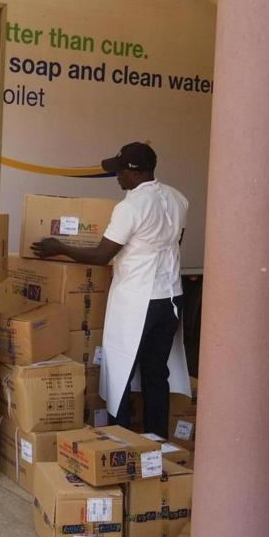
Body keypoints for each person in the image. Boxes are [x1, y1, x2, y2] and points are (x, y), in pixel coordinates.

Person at [31, 142, 188, 436]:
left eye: (119, 171)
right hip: (171, 297)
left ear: (136, 172)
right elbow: (176, 240)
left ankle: (121, 439)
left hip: (138, 301)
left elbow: (102, 255)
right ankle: (156, 439)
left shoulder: (130, 207)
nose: (117, 177)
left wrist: (60, 247)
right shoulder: (177, 198)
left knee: (121, 370)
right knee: (156, 371)